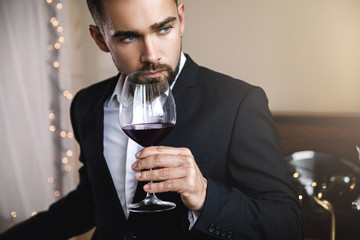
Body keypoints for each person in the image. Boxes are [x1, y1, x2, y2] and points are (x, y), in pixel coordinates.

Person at [0, 0, 304, 239]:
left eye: (163, 29)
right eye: (129, 36)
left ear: (181, 19)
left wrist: (204, 195)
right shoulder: (87, 104)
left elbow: (287, 226)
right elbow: (92, 200)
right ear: (100, 38)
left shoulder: (238, 102)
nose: (151, 54)